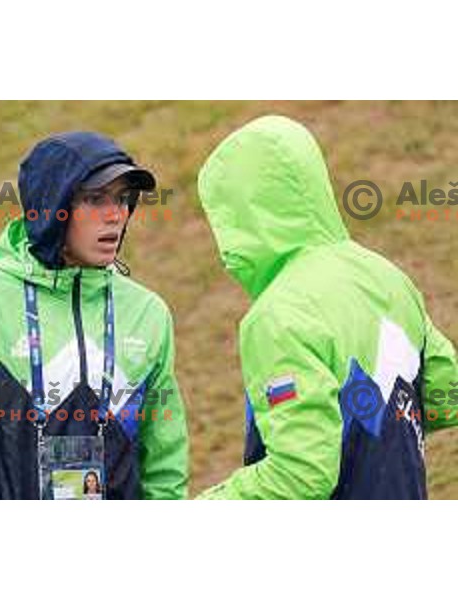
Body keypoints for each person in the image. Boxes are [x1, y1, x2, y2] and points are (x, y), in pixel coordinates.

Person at [196, 115, 458, 499]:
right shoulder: (385, 274)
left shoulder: (277, 315)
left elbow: (301, 475)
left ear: (234, 216)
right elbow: (446, 395)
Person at [0, 131, 188, 499]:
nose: (116, 215)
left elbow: (165, 468)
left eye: (124, 199)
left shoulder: (148, 313)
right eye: (95, 199)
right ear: (51, 208)